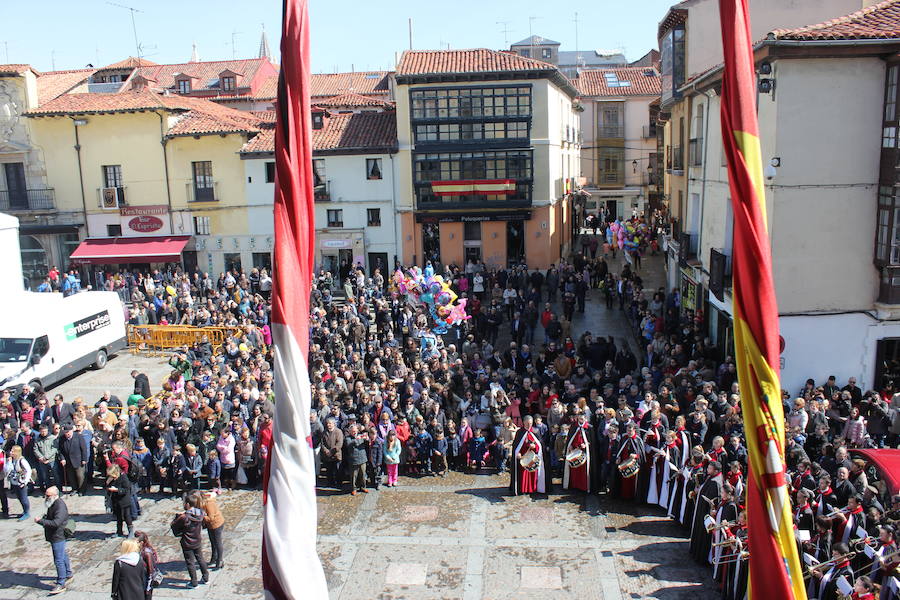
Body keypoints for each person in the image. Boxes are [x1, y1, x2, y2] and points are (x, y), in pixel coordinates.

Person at [35, 486, 72, 595]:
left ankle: (61, 582)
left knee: (58, 559)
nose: (46, 497)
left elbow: (56, 523)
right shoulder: (52, 503)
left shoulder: (60, 506)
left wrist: (41, 521)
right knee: (63, 554)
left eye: (48, 495)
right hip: (54, 535)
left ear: (55, 495)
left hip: (58, 535)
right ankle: (68, 573)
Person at [172, 491, 209, 588]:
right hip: (197, 540)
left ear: (187, 504)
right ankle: (206, 577)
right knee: (200, 559)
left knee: (190, 562)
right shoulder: (200, 513)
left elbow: (174, 526)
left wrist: (177, 516)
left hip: (187, 542)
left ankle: (194, 582)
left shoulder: (184, 517)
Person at [4, 445, 31, 520]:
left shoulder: (21, 460)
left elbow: (28, 470)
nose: (11, 452)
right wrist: (9, 462)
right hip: (14, 482)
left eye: (12, 451)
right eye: (11, 451)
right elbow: (6, 470)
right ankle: (24, 511)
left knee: (23, 498)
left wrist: (25, 481)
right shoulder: (11, 460)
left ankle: (27, 513)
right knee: (19, 498)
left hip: (21, 482)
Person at [106, 464, 134, 538]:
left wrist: (117, 490)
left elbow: (126, 489)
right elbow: (107, 487)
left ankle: (131, 531)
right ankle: (119, 531)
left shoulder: (123, 477)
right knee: (119, 517)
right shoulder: (111, 479)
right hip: (116, 501)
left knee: (127, 516)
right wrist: (107, 483)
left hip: (124, 501)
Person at [200, 491, 226, 570]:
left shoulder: (209, 504)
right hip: (210, 525)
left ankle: (220, 560)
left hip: (216, 524)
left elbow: (211, 518)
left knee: (217, 542)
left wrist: (201, 516)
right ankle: (214, 558)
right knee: (212, 541)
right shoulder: (201, 503)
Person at [135, 531, 160, 600]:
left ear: (141, 542)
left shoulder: (147, 553)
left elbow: (151, 571)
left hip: (145, 582)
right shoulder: (138, 551)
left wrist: (148, 587)